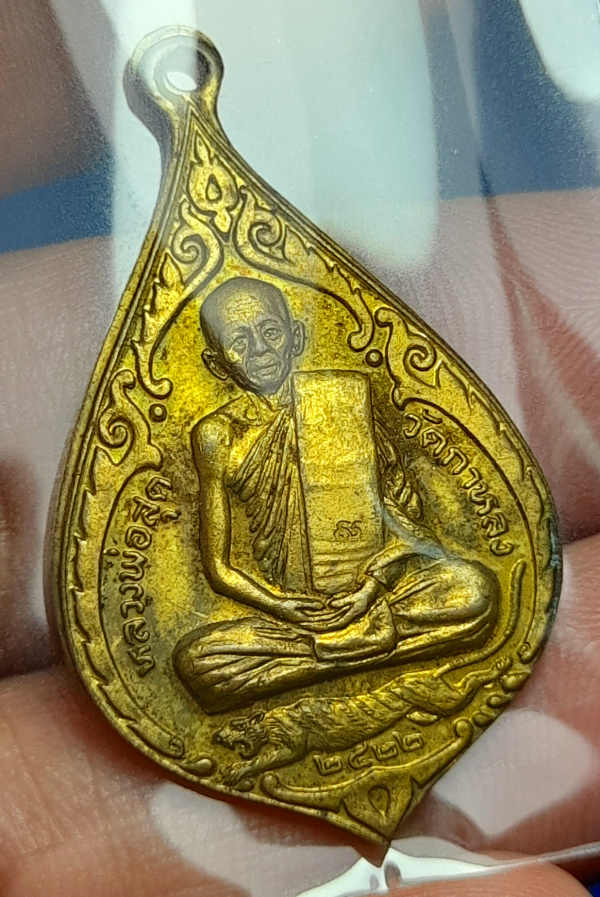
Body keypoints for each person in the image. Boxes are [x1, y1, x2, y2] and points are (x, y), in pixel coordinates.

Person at [173, 277, 499, 711]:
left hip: (375, 599)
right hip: (292, 619)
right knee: (197, 663)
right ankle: (356, 649)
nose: (261, 351)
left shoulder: (343, 401)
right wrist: (282, 606)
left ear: (296, 337)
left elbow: (407, 526)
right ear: (216, 364)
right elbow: (218, 568)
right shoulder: (217, 434)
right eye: (239, 341)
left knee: (475, 590)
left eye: (270, 332)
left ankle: (323, 658)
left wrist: (370, 588)